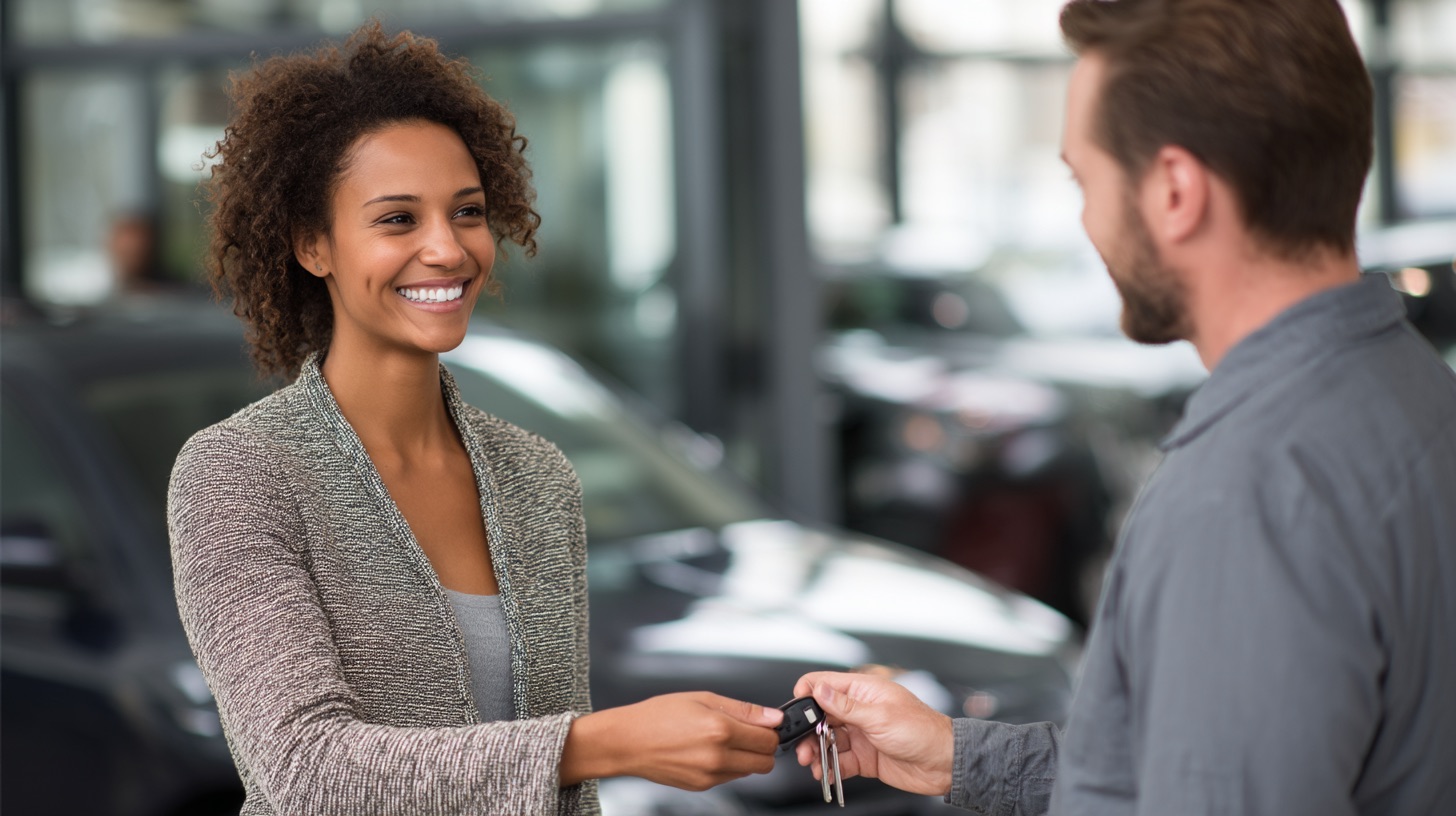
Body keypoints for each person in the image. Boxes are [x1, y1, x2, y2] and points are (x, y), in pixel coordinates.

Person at [793, 1, 1456, 814]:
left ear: (1175, 190)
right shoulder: (1412, 395)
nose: (1086, 220)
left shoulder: (1244, 493)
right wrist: (952, 758)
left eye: (1085, 179)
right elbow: (1200, 759)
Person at [167, 23, 781, 816]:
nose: (447, 249)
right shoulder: (238, 473)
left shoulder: (538, 478)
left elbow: (565, 797)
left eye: (466, 212)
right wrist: (608, 742)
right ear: (313, 245)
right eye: (397, 220)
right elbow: (306, 771)